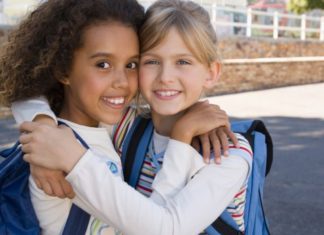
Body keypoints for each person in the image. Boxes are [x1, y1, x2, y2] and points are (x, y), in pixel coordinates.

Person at [1, 0, 251, 235]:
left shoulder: (227, 154)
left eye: (183, 61)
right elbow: (32, 94)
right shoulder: (126, 126)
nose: (165, 76)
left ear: (211, 72)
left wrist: (182, 136)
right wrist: (43, 130)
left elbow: (166, 228)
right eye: (151, 61)